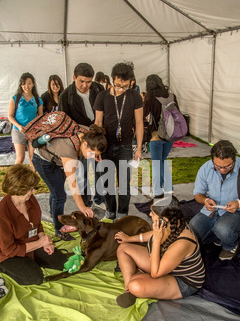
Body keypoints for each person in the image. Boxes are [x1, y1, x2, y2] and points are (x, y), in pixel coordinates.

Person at [114, 195, 205, 308]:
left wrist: (156, 240)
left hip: (182, 280)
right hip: (163, 265)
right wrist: (130, 239)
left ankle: (134, 287)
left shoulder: (183, 242)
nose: (150, 214)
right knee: (123, 248)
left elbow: (155, 273)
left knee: (135, 285)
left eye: (152, 213)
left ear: (164, 219)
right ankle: (129, 290)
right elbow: (153, 233)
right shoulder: (171, 223)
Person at [189, 140, 240, 260]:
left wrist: (239, 203)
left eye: (228, 166)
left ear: (234, 159)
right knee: (192, 230)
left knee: (222, 228)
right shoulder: (206, 168)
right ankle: (219, 235)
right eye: (217, 166)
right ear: (212, 159)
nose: (222, 170)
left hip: (239, 212)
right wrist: (204, 201)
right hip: (212, 210)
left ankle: (230, 245)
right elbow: (198, 194)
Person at [0, 165, 67, 285]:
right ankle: (3, 267)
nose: (34, 191)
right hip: (10, 255)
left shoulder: (30, 200)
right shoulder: (2, 214)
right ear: (19, 189)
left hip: (32, 245)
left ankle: (32, 262)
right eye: (31, 188)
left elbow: (37, 225)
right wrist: (40, 243)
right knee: (35, 278)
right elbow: (9, 250)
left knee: (63, 263)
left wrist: (44, 240)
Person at [32, 124, 107, 239]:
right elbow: (73, 184)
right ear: (85, 144)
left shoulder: (89, 134)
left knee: (56, 191)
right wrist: (82, 207)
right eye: (93, 154)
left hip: (56, 159)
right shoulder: (68, 152)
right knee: (59, 195)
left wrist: (95, 155)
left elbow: (91, 150)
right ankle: (59, 230)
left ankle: (54, 212)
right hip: (43, 161)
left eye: (97, 154)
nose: (93, 157)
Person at [94, 62, 144, 220]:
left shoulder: (134, 96)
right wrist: (97, 148)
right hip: (106, 146)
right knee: (107, 182)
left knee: (124, 183)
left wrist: (139, 148)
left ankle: (122, 214)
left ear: (131, 82)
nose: (121, 89)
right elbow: (98, 123)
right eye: (117, 85)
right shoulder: (102, 96)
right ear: (111, 80)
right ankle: (110, 212)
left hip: (126, 146)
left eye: (125, 86)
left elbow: (139, 123)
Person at [58, 63, 105, 209]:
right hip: (80, 142)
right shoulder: (66, 96)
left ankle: (99, 198)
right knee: (81, 173)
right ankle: (86, 203)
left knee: (101, 169)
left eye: (88, 82)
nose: (85, 85)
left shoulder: (99, 89)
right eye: (81, 81)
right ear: (74, 77)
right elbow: (63, 122)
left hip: (97, 137)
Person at [144, 74, 178, 199]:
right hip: (170, 134)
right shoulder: (171, 96)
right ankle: (168, 188)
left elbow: (144, 116)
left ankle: (157, 190)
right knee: (163, 161)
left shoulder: (149, 99)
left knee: (156, 163)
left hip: (156, 136)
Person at [8, 72, 43, 171]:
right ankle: (14, 181)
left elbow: (40, 117)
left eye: (29, 83)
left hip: (32, 132)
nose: (26, 86)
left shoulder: (38, 100)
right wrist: (19, 126)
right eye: (24, 84)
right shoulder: (16, 98)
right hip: (18, 131)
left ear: (33, 84)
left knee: (33, 158)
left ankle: (31, 184)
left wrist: (37, 129)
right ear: (21, 85)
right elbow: (10, 116)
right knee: (20, 158)